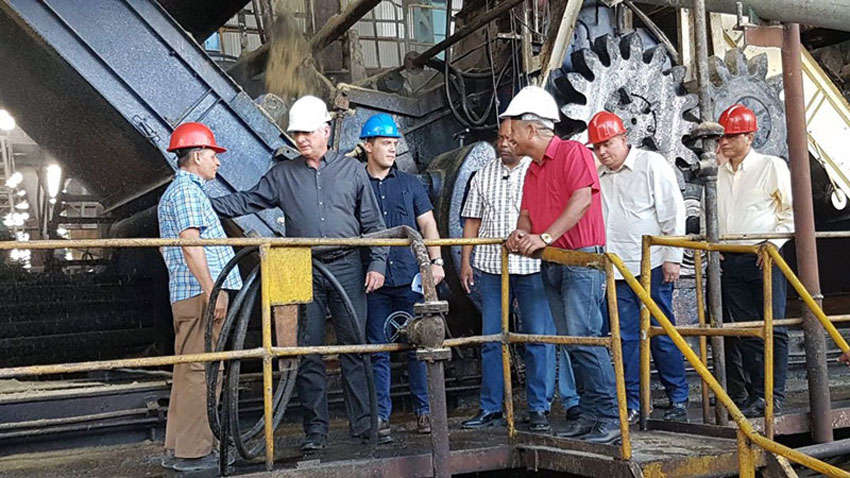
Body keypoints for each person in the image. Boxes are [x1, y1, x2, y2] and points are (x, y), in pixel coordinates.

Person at [210, 95, 388, 450]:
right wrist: (202, 201)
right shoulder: (283, 175)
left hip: (348, 266)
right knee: (308, 352)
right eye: (296, 134)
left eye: (307, 133)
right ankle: (316, 432)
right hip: (301, 267)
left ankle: (365, 425)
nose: (301, 139)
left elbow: (373, 223)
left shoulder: (352, 172)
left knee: (355, 347)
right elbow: (246, 201)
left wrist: (378, 263)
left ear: (326, 131)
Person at [504, 86, 621, 444]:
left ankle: (610, 418)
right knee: (572, 341)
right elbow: (526, 214)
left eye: (513, 129)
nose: (509, 136)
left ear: (531, 129)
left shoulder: (573, 153)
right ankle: (590, 414)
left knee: (585, 339)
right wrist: (520, 235)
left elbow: (583, 198)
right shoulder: (532, 170)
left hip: (580, 259)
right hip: (554, 261)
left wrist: (546, 237)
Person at [459, 118, 578, 433]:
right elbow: (471, 221)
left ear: (525, 139)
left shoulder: (536, 173)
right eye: (500, 138)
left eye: (511, 138)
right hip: (490, 268)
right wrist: (465, 262)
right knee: (491, 339)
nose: (504, 143)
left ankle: (539, 409)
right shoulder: (482, 176)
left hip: (531, 267)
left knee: (538, 337)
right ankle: (491, 408)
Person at [588, 111, 690, 424]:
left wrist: (673, 257)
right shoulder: (600, 174)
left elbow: (674, 210)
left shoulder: (651, 165)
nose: (603, 151)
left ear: (623, 139)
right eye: (597, 147)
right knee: (625, 339)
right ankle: (632, 403)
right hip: (616, 269)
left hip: (654, 265)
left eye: (607, 144)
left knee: (661, 333)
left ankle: (679, 398)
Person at [157, 122, 243, 471]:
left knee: (188, 370)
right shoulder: (188, 193)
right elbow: (192, 246)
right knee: (201, 371)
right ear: (195, 156)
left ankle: (178, 446)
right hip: (199, 294)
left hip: (188, 294)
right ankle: (195, 453)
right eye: (212, 155)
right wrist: (214, 291)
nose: (217, 162)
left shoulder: (179, 192)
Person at [360, 113, 445, 439]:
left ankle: (425, 413)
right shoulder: (357, 185)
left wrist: (436, 263)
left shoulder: (410, 184)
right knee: (377, 350)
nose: (392, 149)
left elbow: (427, 225)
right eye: (385, 143)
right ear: (368, 146)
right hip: (374, 283)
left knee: (419, 346)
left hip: (410, 280)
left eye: (395, 143)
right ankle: (381, 417)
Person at [714, 103, 793, 418]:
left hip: (763, 256)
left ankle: (772, 396)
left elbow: (791, 211)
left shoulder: (771, 166)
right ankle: (756, 395)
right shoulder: (719, 172)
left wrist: (771, 244)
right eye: (723, 137)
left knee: (773, 327)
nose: (725, 142)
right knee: (745, 330)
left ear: (749, 137)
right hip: (732, 257)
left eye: (732, 136)